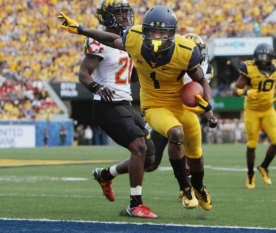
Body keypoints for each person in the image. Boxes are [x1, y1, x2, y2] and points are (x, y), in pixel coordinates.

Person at [58, 5, 218, 211]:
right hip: (136, 105)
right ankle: (156, 198)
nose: (158, 37)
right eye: (153, 32)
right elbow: (107, 41)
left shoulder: (184, 50)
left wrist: (208, 107)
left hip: (153, 104)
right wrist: (81, 29)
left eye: (163, 32)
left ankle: (108, 174)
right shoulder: (133, 38)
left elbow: (200, 80)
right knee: (152, 143)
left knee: (159, 159)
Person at [77, 0, 157, 219]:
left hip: (125, 103)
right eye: (120, 12)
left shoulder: (128, 39)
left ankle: (106, 175)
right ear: (107, 16)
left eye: (126, 12)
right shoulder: (98, 42)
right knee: (138, 147)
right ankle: (135, 204)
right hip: (106, 105)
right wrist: (97, 87)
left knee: (150, 158)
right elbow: (84, 73)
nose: (125, 16)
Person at [145, 33, 213, 175]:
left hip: (187, 116)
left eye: (198, 51)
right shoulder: (170, 64)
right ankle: (114, 172)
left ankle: (188, 188)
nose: (197, 55)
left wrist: (210, 116)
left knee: (193, 157)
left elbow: (203, 99)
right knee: (151, 163)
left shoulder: (205, 70)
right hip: (165, 112)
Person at [232, 43, 276, 189]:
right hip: (252, 110)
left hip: (268, 109)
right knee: (252, 144)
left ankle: (264, 167)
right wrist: (246, 92)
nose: (262, 60)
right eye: (260, 56)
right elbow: (234, 90)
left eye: (265, 57)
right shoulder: (249, 68)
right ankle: (250, 174)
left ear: (271, 58)